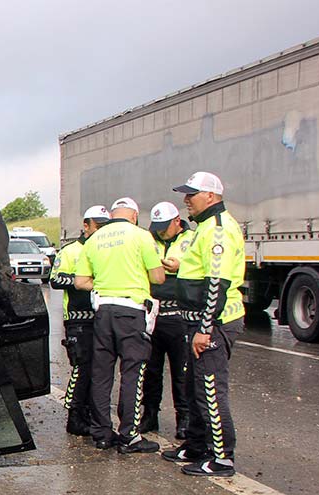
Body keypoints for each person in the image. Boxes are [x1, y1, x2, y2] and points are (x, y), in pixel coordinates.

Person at [162, 172, 246, 477]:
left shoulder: (218, 229)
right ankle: (196, 445)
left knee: (210, 389)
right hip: (197, 321)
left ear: (210, 196)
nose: (186, 200)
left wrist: (204, 329)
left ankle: (222, 457)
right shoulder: (206, 227)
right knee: (194, 385)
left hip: (213, 323)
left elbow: (216, 284)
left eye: (192, 194)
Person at [74, 197, 166, 453]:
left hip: (103, 311)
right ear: (134, 216)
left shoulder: (94, 240)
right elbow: (158, 277)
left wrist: (105, 285)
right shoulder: (141, 236)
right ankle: (129, 435)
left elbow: (80, 282)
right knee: (132, 372)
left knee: (102, 374)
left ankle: (102, 434)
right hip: (132, 311)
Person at [50, 205, 108, 436]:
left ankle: (91, 414)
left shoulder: (106, 249)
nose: (101, 230)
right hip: (78, 319)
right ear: (86, 226)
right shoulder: (71, 251)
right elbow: (55, 279)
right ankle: (74, 415)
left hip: (101, 317)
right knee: (81, 367)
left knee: (99, 370)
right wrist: (81, 280)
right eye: (98, 226)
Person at [141, 201, 197, 439]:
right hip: (153, 313)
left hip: (178, 315)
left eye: (165, 227)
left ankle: (184, 418)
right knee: (150, 370)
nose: (161, 232)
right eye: (157, 228)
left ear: (177, 221)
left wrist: (180, 266)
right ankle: (149, 415)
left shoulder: (192, 239)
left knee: (182, 371)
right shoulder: (149, 239)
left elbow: (202, 267)